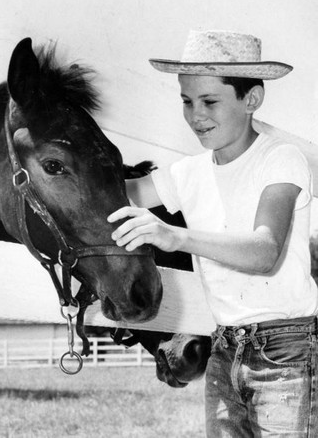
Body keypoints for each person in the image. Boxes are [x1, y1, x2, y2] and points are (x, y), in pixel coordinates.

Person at [108, 30, 318, 437]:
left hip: (287, 351)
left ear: (252, 100)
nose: (195, 115)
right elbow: (115, 195)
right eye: (186, 101)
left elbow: (265, 251)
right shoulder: (188, 172)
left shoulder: (281, 160)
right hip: (223, 348)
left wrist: (177, 237)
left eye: (209, 101)